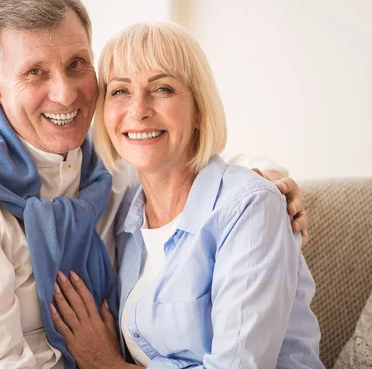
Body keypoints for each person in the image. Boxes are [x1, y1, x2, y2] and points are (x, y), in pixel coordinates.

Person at [0, 0, 310, 369]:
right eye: (35, 73)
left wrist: (261, 177)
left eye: (76, 65)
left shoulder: (104, 169)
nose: (65, 95)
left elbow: (183, 160)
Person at [50, 22, 323, 368]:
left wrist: (105, 362)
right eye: (120, 91)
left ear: (198, 109)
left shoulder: (251, 207)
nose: (138, 110)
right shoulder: (125, 213)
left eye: (162, 88)